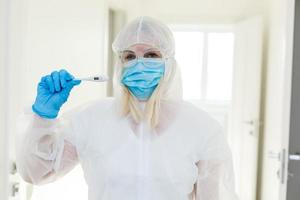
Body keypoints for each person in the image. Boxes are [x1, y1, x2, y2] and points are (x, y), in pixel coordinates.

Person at [16, 16, 238, 200]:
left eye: (151, 55)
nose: (139, 64)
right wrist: (43, 117)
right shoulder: (91, 119)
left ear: (169, 62)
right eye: (129, 56)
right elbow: (35, 173)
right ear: (120, 64)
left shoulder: (202, 128)